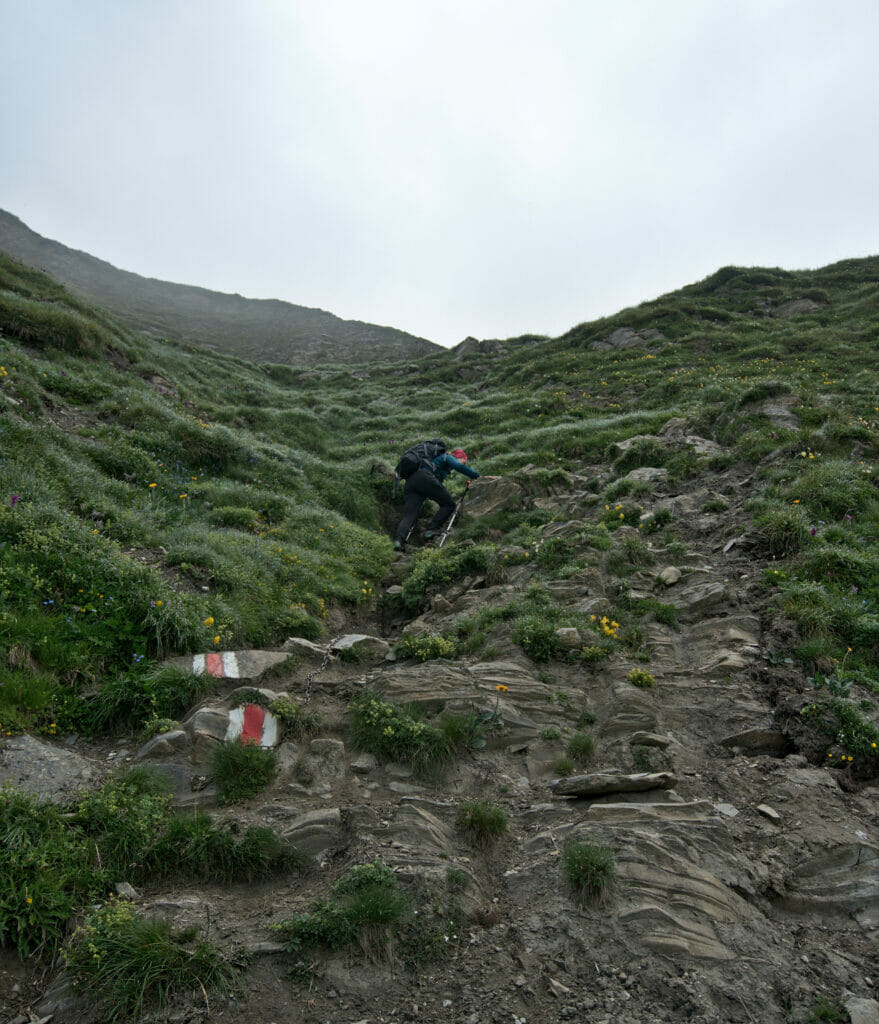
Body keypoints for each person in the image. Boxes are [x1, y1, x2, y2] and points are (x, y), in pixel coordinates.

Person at [393, 447, 488, 550]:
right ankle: (432, 529)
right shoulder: (448, 457)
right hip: (424, 477)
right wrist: (478, 476)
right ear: (459, 456)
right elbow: (458, 466)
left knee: (410, 515)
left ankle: (398, 541)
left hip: (410, 483)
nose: (464, 464)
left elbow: (431, 488)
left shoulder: (434, 463)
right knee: (449, 504)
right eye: (464, 461)